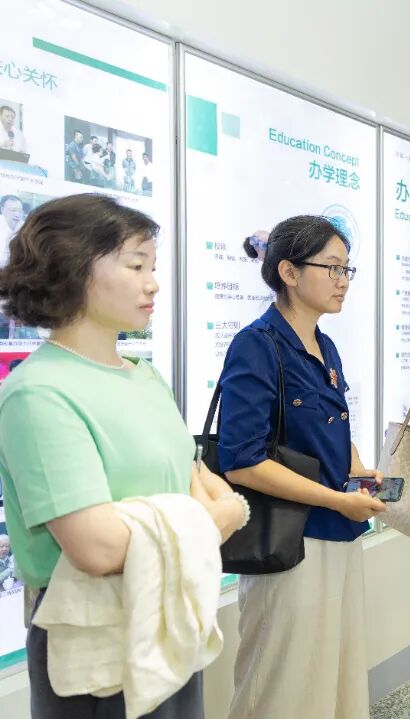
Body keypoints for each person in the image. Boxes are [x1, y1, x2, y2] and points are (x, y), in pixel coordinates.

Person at [0, 193, 246, 718]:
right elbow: (97, 547)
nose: (152, 283)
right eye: (136, 265)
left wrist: (210, 511)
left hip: (172, 612)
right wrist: (214, 520)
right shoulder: (38, 393)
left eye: (152, 267)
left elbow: (198, 478)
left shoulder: (146, 377)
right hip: (94, 634)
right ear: (73, 268)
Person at [217, 214, 386, 719]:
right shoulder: (258, 344)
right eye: (331, 267)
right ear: (289, 272)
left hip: (339, 532)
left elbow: (333, 426)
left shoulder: (324, 344)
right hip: (290, 543)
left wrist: (359, 472)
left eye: (347, 269)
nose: (342, 280)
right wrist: (336, 499)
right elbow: (242, 461)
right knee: (283, 688)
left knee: (335, 677)